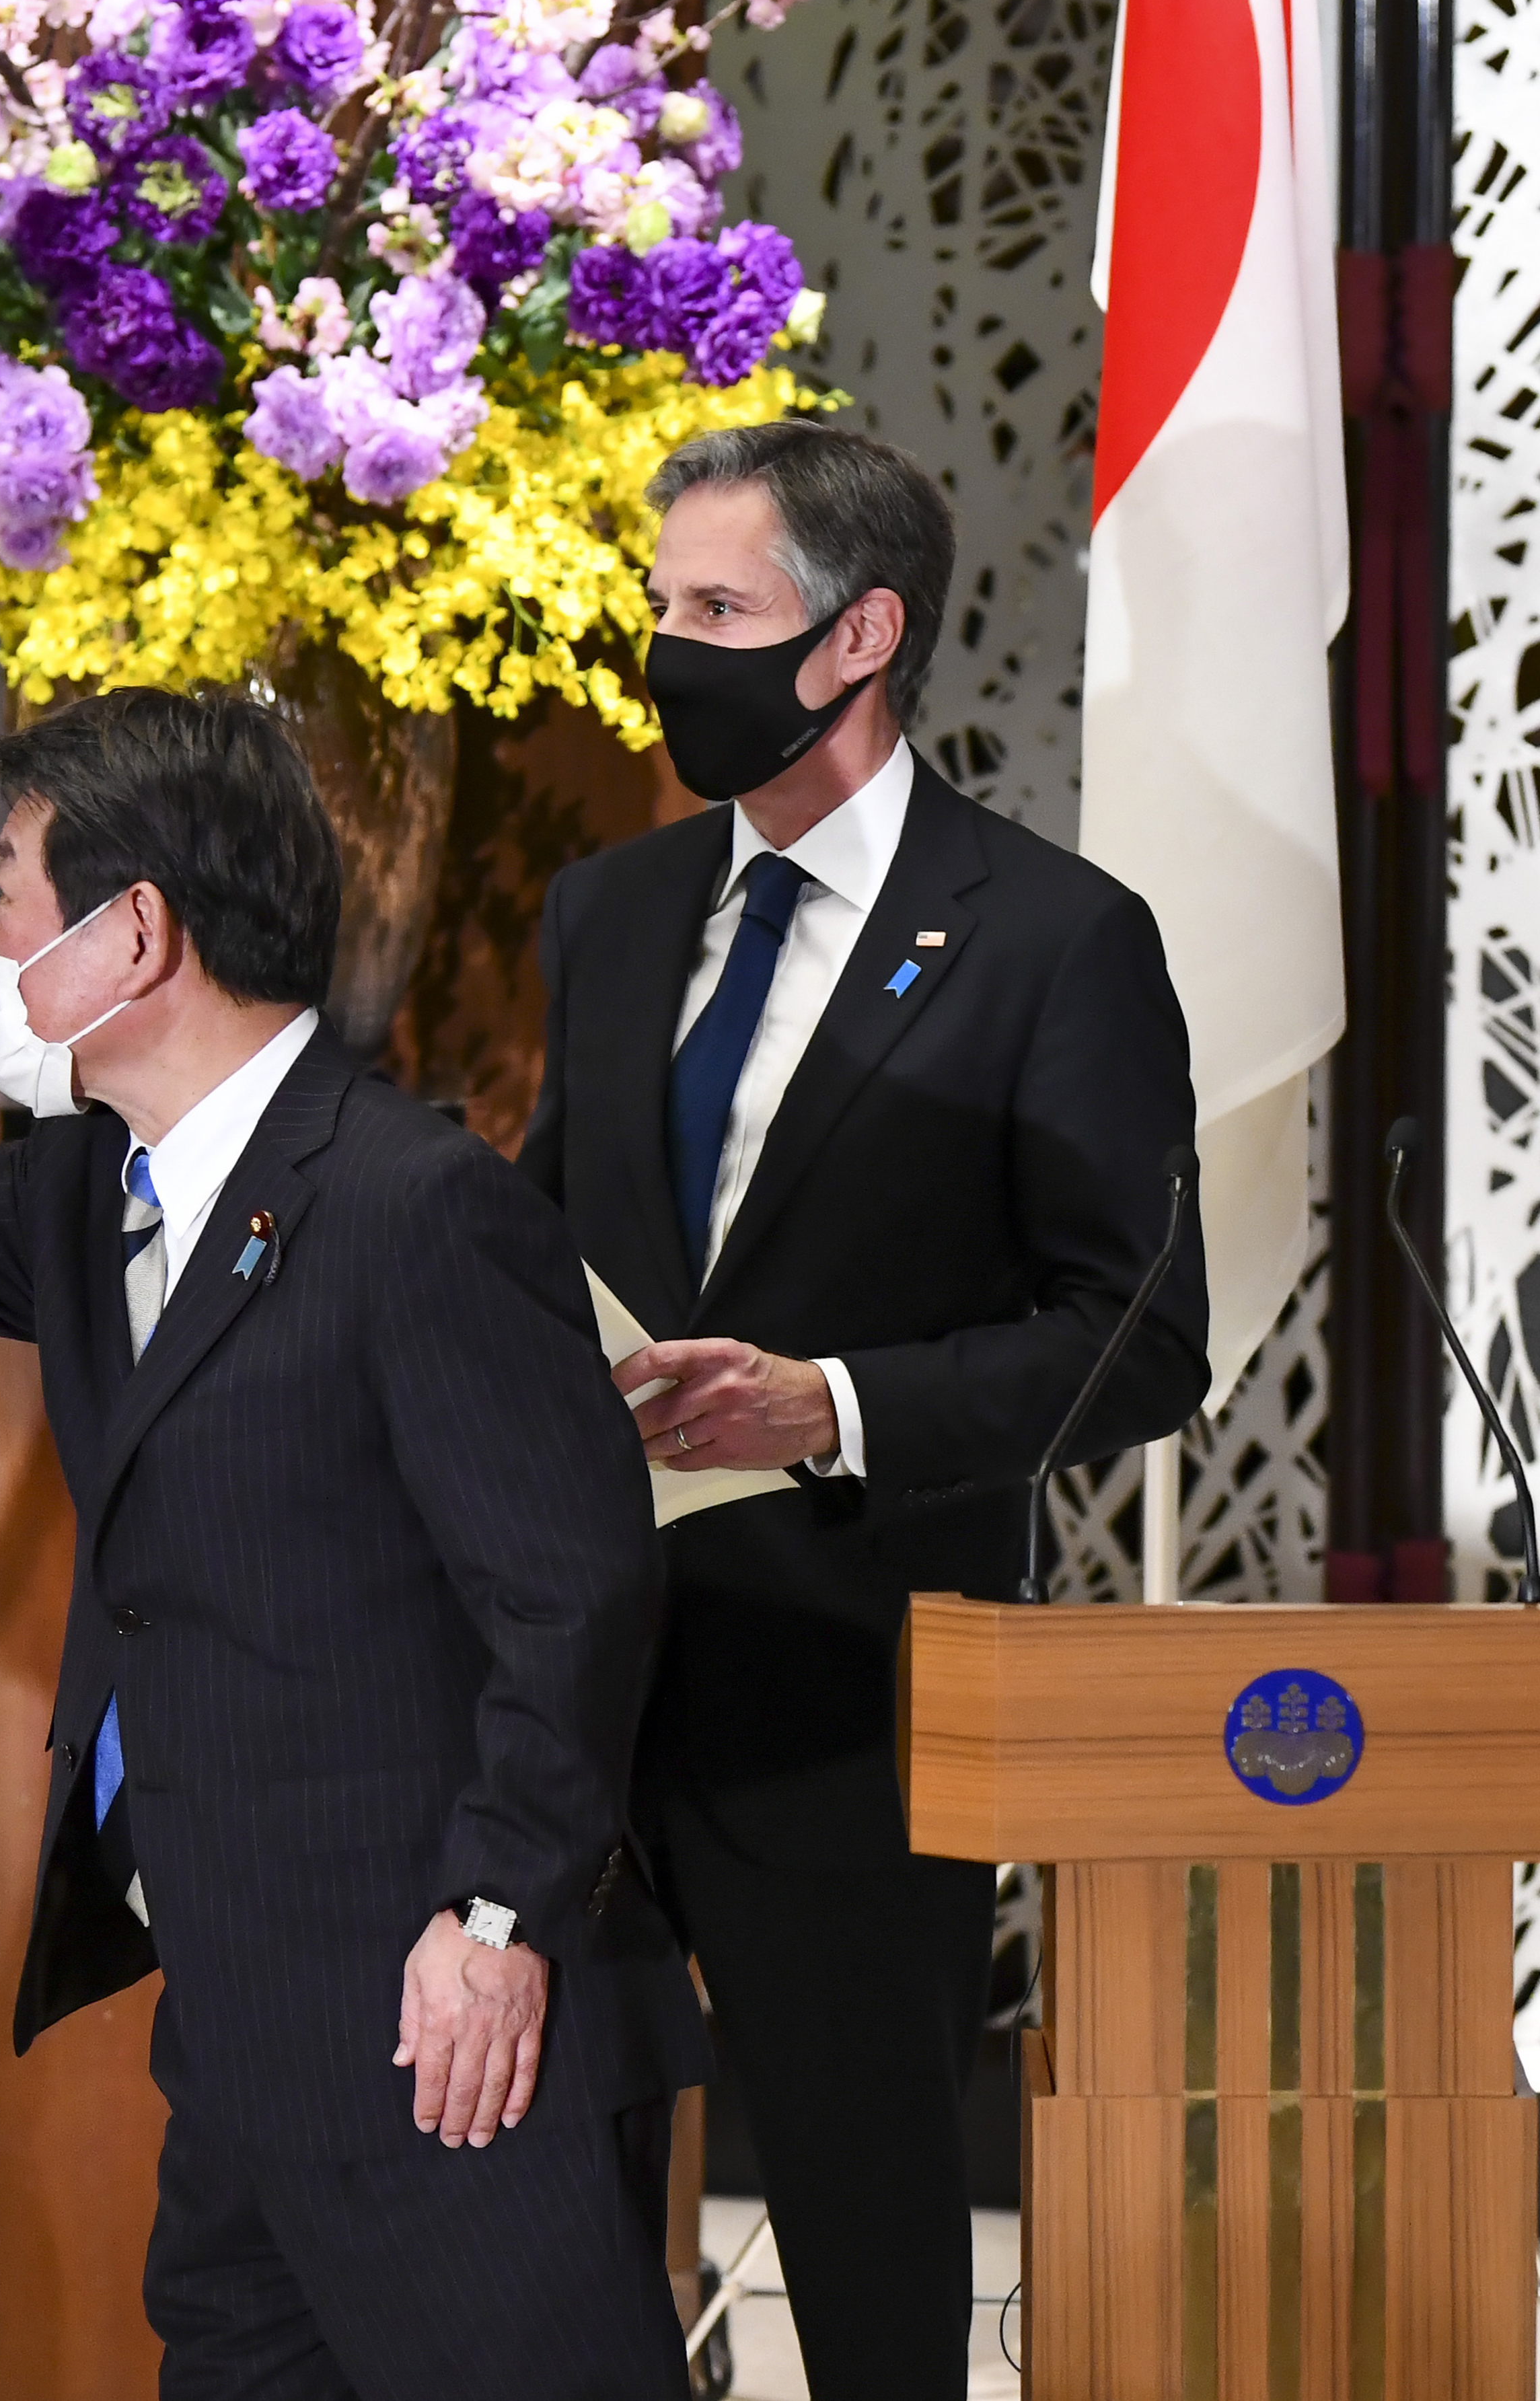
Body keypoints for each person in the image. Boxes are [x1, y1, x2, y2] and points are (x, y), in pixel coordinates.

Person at [0, 687, 707, 2400]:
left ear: (135, 933)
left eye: (17, 893)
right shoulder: (75, 1185)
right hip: (245, 2028)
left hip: (452, 2031)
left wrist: (494, 1920)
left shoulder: (417, 1204)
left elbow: (576, 1592)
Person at [520, 418, 1210, 2400]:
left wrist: (825, 1407)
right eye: (665, 603)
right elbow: (553, 1226)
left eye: (716, 609)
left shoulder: (1056, 940)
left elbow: (1138, 1335)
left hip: (860, 1700)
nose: (668, 648)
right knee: (550, 2218)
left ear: (860, 636)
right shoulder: (613, 912)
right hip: (580, 1681)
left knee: (869, 2237)